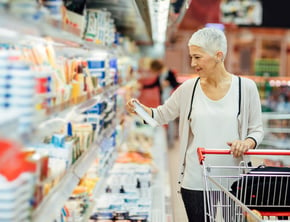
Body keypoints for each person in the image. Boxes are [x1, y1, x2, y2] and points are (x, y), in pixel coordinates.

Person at [126, 27, 264, 222]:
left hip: (234, 180)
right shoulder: (188, 89)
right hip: (196, 179)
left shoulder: (246, 88)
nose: (192, 63)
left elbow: (257, 130)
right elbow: (160, 116)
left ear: (218, 55)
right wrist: (140, 109)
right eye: (192, 57)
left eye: (198, 57)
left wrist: (247, 143)